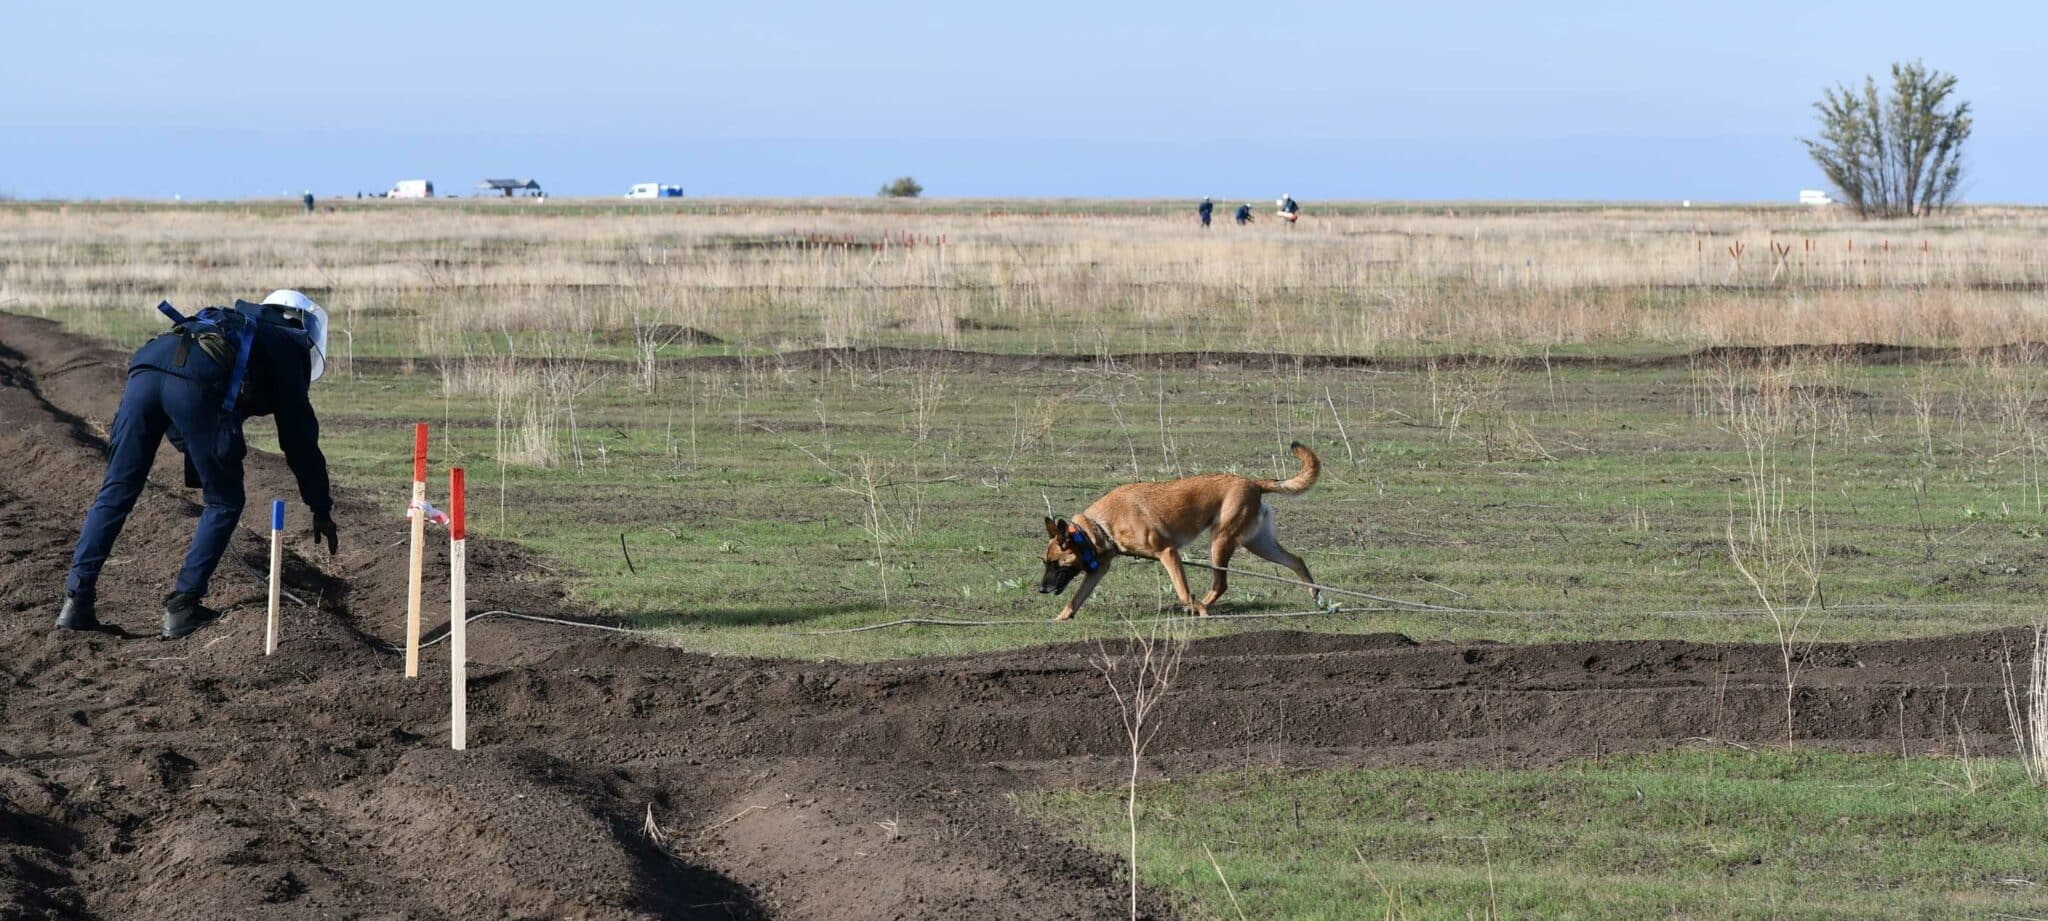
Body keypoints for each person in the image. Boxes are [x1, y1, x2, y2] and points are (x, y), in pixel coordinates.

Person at [56, 290, 339, 639]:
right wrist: (320, 506)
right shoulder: (289, 345)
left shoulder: (235, 323)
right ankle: (182, 607)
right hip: (192, 380)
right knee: (225, 500)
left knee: (118, 488)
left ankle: (75, 602)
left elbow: (183, 392)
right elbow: (300, 444)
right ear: (304, 325)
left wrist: (201, 443)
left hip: (147, 366)